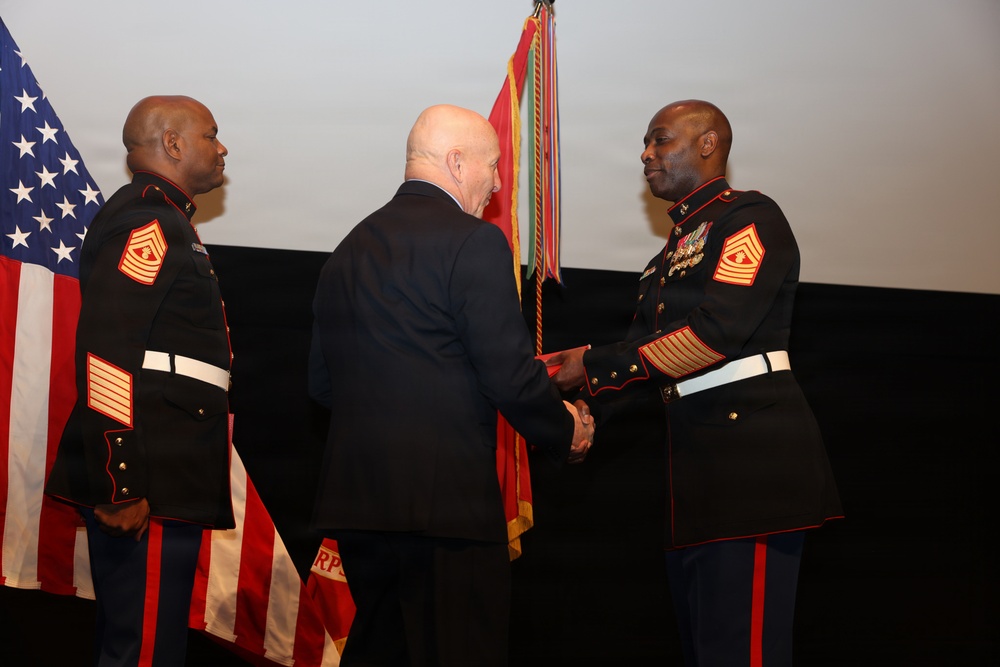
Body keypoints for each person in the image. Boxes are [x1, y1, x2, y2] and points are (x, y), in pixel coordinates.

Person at [549, 100, 842, 666]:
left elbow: (714, 335)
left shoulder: (750, 217)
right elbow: (639, 366)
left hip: (752, 471)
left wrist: (594, 364)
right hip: (693, 475)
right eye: (646, 143)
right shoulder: (664, 259)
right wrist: (578, 415)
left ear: (708, 144)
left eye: (660, 140)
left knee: (743, 654)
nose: (646, 154)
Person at [308, 104, 593, 667]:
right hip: (447, 510)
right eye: (493, 166)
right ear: (457, 162)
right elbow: (507, 374)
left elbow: (322, 385)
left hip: (360, 507)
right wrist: (567, 428)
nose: (497, 184)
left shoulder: (346, 250)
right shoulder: (475, 242)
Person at [46, 95, 233, 666]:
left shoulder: (168, 217)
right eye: (211, 135)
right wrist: (120, 479)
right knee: (145, 649)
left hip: (168, 466)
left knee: (146, 643)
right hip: (151, 469)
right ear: (172, 144)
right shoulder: (149, 220)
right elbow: (108, 349)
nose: (222, 148)